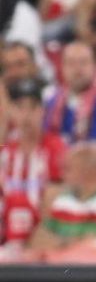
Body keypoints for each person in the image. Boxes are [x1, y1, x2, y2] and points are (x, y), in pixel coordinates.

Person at [0, 79, 66, 246]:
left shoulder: (55, 148)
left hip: (42, 234)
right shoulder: (5, 151)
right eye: (20, 107)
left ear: (43, 111)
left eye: (33, 107)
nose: (26, 115)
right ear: (11, 111)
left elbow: (57, 196)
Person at [28, 143, 96, 252]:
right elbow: (36, 241)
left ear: (87, 171)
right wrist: (68, 244)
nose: (61, 175)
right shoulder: (63, 199)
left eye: (68, 169)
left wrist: (59, 244)